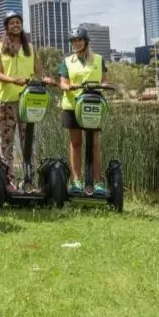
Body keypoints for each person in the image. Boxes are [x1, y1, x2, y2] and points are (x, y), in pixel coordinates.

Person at [0, 11, 51, 192]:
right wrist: (12, 79)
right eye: (12, 23)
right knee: (7, 142)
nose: (15, 25)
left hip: (28, 100)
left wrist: (45, 79)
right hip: (7, 100)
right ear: (7, 26)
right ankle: (8, 180)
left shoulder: (30, 48)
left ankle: (28, 179)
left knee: (27, 141)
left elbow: (38, 71)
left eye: (18, 22)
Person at [59, 25, 110, 195]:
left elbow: (104, 81)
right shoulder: (67, 61)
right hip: (72, 106)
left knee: (94, 144)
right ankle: (76, 181)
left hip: (92, 105)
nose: (77, 43)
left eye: (79, 40)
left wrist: (103, 86)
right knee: (75, 143)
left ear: (86, 41)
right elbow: (62, 82)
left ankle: (98, 182)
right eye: (74, 41)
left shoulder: (98, 59)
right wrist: (69, 86)